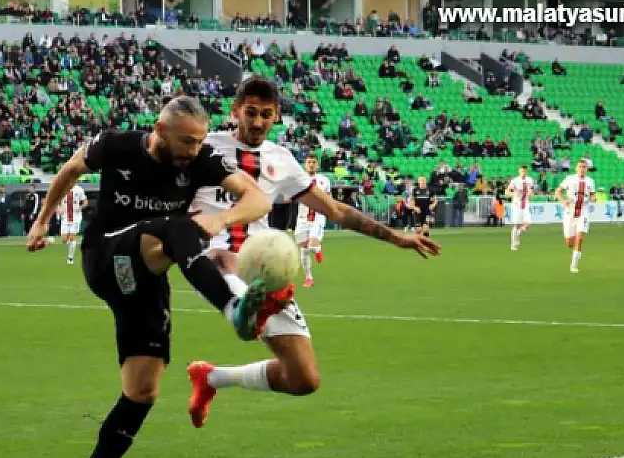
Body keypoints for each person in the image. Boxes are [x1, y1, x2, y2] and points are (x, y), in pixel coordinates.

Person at [24, 96, 282, 458]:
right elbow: (70, 170)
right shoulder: (118, 146)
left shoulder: (200, 159)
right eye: (186, 141)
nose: (194, 149)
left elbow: (257, 198)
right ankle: (233, 309)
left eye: (200, 141)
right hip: (106, 255)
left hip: (147, 273)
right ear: (159, 131)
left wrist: (224, 219)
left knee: (142, 392)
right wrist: (43, 219)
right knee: (178, 226)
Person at [186, 75, 439, 432]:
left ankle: (212, 378)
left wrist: (396, 237)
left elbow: (335, 211)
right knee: (224, 263)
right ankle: (245, 311)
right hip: (212, 257)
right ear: (235, 111)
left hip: (264, 264)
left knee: (303, 379)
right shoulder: (203, 148)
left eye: (266, 115)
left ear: (276, 116)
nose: (257, 122)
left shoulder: (281, 160)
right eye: (251, 112)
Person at [292, 154, 331, 287]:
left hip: (318, 217)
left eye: (314, 162)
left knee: (312, 246)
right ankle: (309, 278)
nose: (312, 164)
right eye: (309, 162)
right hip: (302, 219)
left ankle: (318, 249)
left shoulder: (324, 181)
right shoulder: (298, 179)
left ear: (318, 164)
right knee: (303, 250)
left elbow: (328, 198)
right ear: (305, 164)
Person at [554, 160, 596, 273]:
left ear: (587, 169)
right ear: (576, 168)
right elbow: (557, 192)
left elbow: (592, 194)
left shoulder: (590, 181)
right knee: (569, 243)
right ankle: (577, 252)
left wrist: (593, 198)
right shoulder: (569, 179)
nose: (582, 169)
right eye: (580, 167)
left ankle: (574, 264)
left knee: (580, 238)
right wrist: (563, 201)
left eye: (584, 167)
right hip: (570, 213)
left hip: (583, 212)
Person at [56, 183, 88, 264]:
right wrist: (58, 209)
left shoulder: (79, 189)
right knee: (64, 239)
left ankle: (70, 258)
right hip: (65, 217)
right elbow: (55, 202)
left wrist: (80, 207)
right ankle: (69, 244)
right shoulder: (62, 189)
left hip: (76, 218)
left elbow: (85, 202)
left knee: (72, 237)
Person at [505, 165, 534, 251]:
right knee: (517, 225)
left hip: (526, 205)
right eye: (522, 171)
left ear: (527, 171)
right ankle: (513, 244)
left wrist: (531, 194)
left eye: (525, 171)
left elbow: (531, 190)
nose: (523, 173)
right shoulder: (515, 181)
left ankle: (518, 233)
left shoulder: (530, 180)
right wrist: (514, 194)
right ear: (519, 171)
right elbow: (506, 192)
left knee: (528, 225)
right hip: (517, 205)